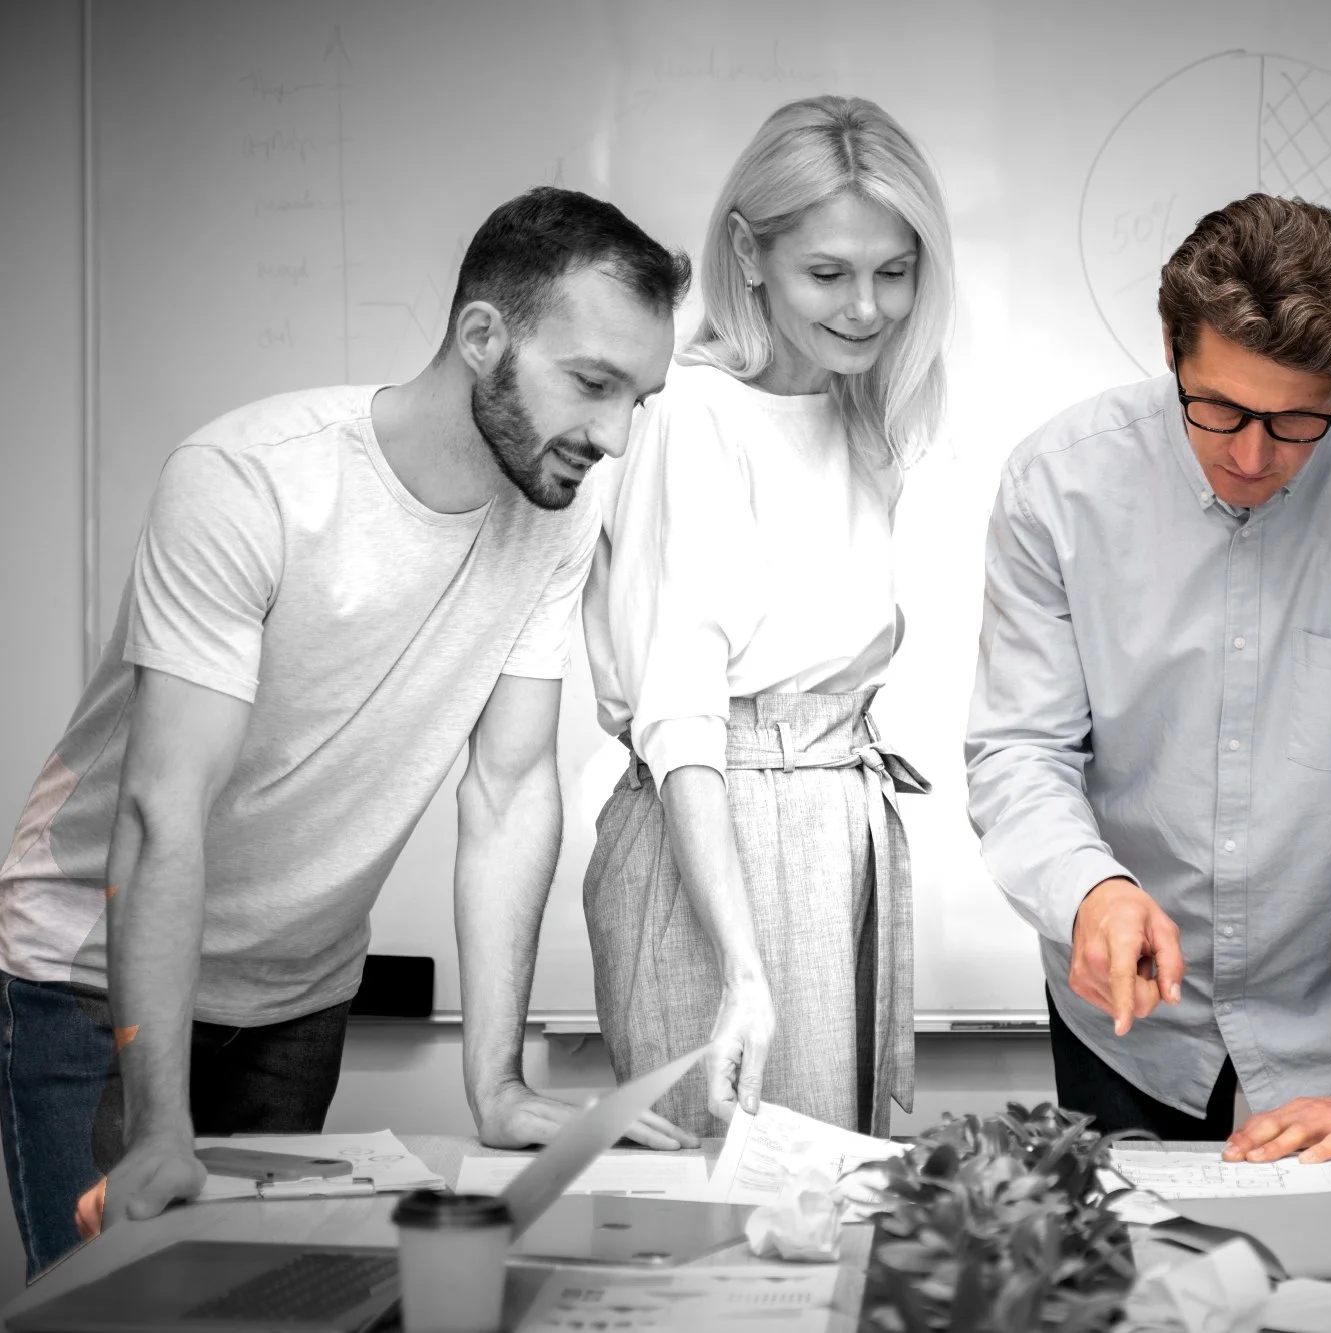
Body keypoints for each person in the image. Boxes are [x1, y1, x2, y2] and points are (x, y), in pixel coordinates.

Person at [0, 186, 690, 1277]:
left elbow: (509, 791)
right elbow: (160, 808)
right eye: (592, 384)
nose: (610, 435)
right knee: (112, 1305)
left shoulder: (561, 509)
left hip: (299, 992)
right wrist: (159, 1119)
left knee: (259, 1308)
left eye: (636, 400)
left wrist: (499, 1086)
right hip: (93, 988)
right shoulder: (248, 480)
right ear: (481, 338)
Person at [964, 193, 1331, 1161]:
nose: (1251, 454)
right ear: (1171, 351)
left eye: (1298, 421)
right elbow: (1019, 749)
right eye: (1218, 407)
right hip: (1127, 1017)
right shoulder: (1058, 486)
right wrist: (1088, 889)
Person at [583, 95, 954, 1138]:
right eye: (827, 274)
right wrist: (743, 968)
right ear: (747, 254)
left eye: (894, 270)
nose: (866, 308)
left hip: (833, 819)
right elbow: (682, 719)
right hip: (719, 832)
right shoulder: (691, 413)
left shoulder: (858, 409)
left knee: (831, 1201)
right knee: (731, 1213)